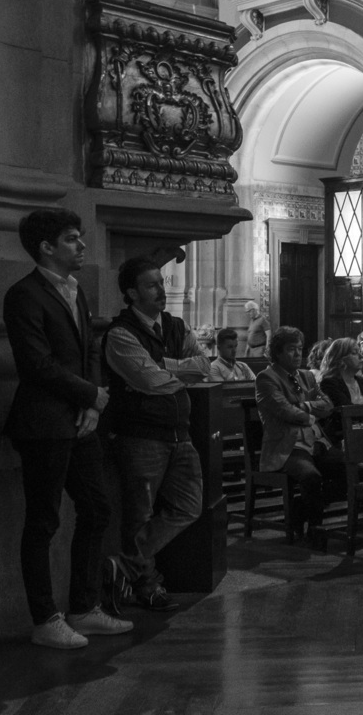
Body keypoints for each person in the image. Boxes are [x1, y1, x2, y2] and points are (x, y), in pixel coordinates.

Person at [2, 209, 131, 649]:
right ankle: (45, 620)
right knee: (43, 522)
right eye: (73, 239)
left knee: (96, 508)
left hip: (79, 420)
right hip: (42, 423)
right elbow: (36, 365)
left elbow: (90, 348)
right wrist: (89, 397)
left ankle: (84, 607)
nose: (81, 247)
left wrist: (94, 401)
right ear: (47, 247)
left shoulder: (76, 292)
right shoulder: (24, 295)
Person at [102, 257, 210, 612]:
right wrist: (178, 371)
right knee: (140, 514)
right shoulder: (120, 333)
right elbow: (148, 381)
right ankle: (147, 585)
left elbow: (204, 366)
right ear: (132, 293)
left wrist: (163, 367)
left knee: (189, 507)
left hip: (180, 432)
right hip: (141, 435)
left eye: (162, 282)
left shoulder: (176, 327)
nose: (161, 290)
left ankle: (123, 564)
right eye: (151, 285)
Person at [255, 327, 338, 536]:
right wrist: (311, 413)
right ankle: (316, 530)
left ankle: (299, 509)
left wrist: (307, 407)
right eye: (291, 349)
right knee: (311, 476)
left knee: (359, 470)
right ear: (278, 352)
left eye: (300, 348)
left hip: (317, 443)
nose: (297, 354)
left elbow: (328, 405)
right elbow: (285, 410)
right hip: (288, 446)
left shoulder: (307, 376)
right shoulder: (267, 378)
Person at [317, 337, 363, 445]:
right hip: (343, 437)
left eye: (359, 352)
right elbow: (347, 411)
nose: (361, 356)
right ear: (341, 358)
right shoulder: (330, 383)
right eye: (354, 353)